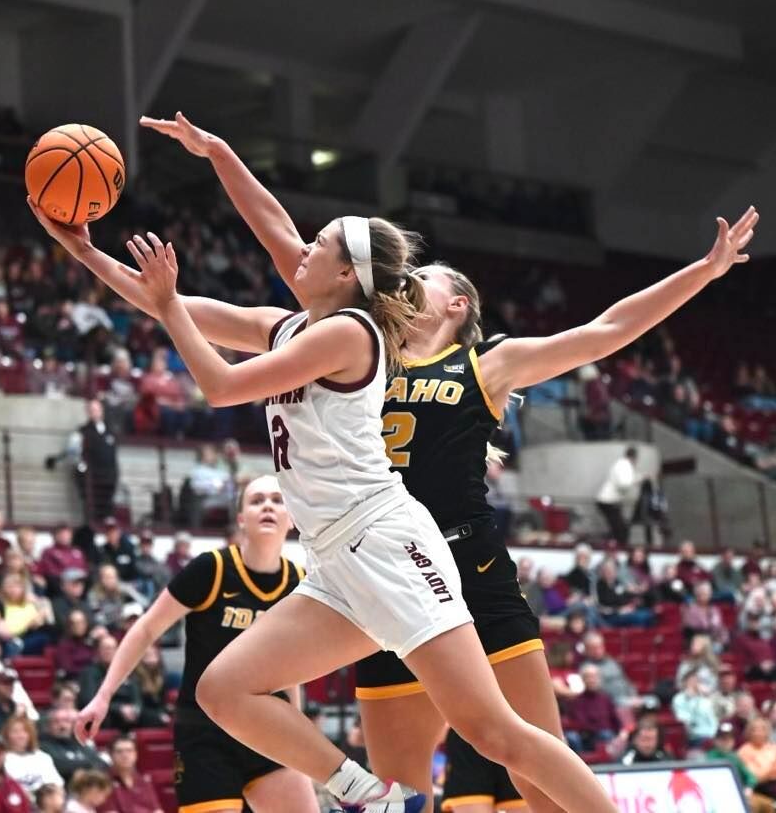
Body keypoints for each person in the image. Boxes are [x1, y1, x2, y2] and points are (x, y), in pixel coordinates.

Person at [123, 112, 759, 812]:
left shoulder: (486, 365)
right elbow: (286, 241)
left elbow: (606, 330)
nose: (408, 282)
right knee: (401, 786)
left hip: (465, 566)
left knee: (522, 762)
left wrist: (703, 271)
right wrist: (218, 154)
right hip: (372, 570)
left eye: (423, 278)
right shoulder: (354, 339)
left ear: (457, 303)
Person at [37, 195, 629, 809]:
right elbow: (173, 308)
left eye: (319, 244)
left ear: (348, 274)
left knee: (496, 734)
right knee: (224, 690)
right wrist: (82, 248)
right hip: (333, 558)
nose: (304, 248)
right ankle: (370, 796)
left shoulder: (350, 333)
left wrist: (165, 303)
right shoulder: (290, 327)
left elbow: (221, 386)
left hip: (387, 544)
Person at [75, 475, 315, 813]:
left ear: (292, 518)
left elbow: (289, 667)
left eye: (277, 500)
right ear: (240, 519)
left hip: (268, 728)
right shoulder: (211, 569)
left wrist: (298, 727)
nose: (267, 506)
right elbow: (146, 629)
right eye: (256, 500)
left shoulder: (299, 581)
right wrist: (102, 697)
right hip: (205, 733)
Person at [1, 716, 62, 796]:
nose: (20, 736)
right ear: (6, 735)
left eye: (24, 731)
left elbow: (57, 785)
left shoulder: (42, 757)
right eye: (15, 732)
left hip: (45, 802)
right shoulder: (1, 759)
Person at [102, 735, 162, 813]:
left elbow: (157, 810)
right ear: (110, 755)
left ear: (136, 754)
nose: (125, 755)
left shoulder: (144, 779)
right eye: (119, 751)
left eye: (129, 751)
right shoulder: (103, 781)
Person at [595, 447, 640, 545]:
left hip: (606, 500)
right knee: (621, 530)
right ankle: (620, 547)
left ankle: (613, 542)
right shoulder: (626, 465)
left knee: (617, 527)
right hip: (608, 501)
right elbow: (624, 483)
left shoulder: (620, 464)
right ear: (634, 458)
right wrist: (638, 480)